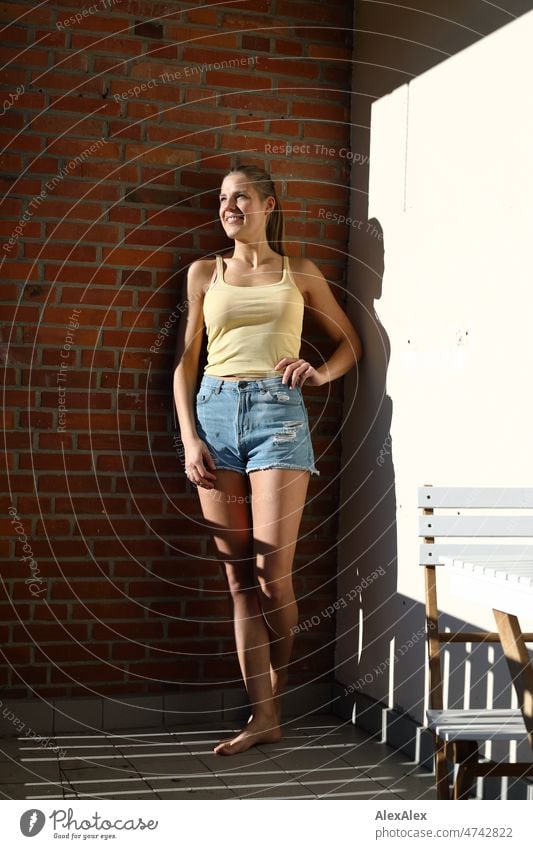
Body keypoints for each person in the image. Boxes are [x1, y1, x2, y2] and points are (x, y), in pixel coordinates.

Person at [173, 163, 363, 755]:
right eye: (223, 200)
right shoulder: (204, 273)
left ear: (269, 204)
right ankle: (266, 714)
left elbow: (350, 342)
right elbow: (184, 361)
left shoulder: (297, 273)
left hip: (279, 417)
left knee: (271, 576)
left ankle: (272, 691)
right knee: (237, 580)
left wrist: (319, 371)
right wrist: (190, 440)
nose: (229, 207)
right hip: (215, 413)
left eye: (241, 197)